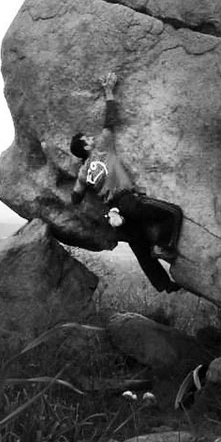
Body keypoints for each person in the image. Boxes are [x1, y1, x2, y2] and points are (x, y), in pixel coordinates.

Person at [70, 71, 184, 293]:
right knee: (172, 213)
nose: (92, 138)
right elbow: (110, 119)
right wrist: (108, 90)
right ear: (86, 147)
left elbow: (75, 197)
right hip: (127, 201)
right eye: (87, 139)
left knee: (140, 248)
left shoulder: (83, 173)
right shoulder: (102, 147)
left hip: (114, 213)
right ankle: (164, 246)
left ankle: (164, 285)